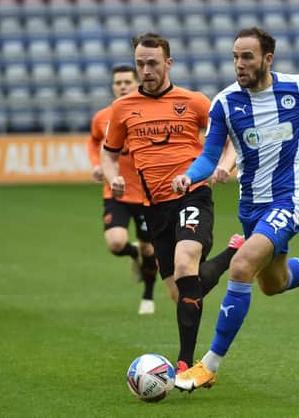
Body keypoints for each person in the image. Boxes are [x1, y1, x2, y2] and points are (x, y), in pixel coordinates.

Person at [172, 27, 299, 391]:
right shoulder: (224, 103)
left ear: (267, 59)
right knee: (274, 283)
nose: (239, 64)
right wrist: (189, 176)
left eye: (247, 57)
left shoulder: (298, 87)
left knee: (241, 266)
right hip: (251, 205)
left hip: (291, 198)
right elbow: (210, 156)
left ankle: (208, 365)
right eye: (236, 57)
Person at [102, 32, 244, 373]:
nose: (146, 70)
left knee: (185, 265)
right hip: (155, 207)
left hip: (192, 195)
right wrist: (113, 178)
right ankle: (231, 254)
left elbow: (230, 140)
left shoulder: (194, 102)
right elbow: (108, 155)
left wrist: (224, 168)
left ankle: (185, 366)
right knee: (183, 294)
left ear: (168, 63)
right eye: (140, 63)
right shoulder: (122, 109)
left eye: (152, 63)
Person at [87, 64, 158, 315]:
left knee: (151, 250)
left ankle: (148, 297)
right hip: (116, 192)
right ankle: (133, 251)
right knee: (116, 243)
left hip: (146, 193)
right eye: (118, 83)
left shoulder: (149, 113)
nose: (122, 86)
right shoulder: (102, 117)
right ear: (112, 87)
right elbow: (94, 141)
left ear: (136, 83)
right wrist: (98, 165)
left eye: (127, 82)